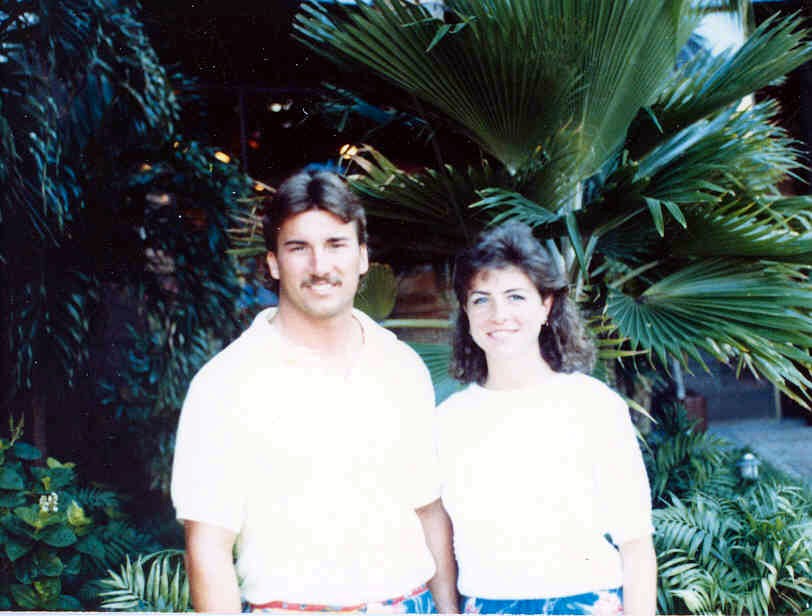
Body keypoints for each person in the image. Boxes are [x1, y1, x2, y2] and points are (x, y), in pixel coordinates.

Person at [170, 168, 457, 613]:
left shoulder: (402, 366)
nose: (320, 267)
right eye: (298, 248)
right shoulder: (225, 383)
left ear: (363, 257)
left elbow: (429, 512)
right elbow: (208, 548)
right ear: (273, 263)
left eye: (336, 244)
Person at [437, 221, 656, 616]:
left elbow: (637, 544)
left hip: (587, 603)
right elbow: (440, 543)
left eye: (516, 296)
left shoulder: (594, 405)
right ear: (466, 312)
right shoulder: (447, 421)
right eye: (481, 300)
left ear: (546, 305)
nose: (499, 314)